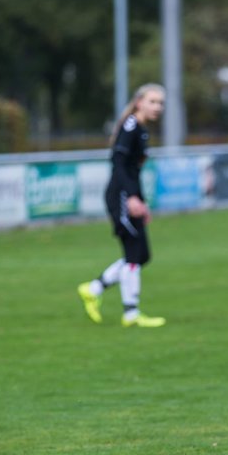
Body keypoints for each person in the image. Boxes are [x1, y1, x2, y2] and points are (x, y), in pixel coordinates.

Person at [77, 83, 168, 328]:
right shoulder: (131, 126)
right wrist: (130, 197)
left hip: (129, 194)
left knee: (141, 255)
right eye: (153, 101)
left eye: (160, 103)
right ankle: (131, 313)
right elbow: (118, 161)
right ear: (139, 102)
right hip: (120, 195)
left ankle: (93, 288)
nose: (157, 107)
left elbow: (133, 170)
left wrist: (142, 201)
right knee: (134, 255)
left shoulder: (141, 129)